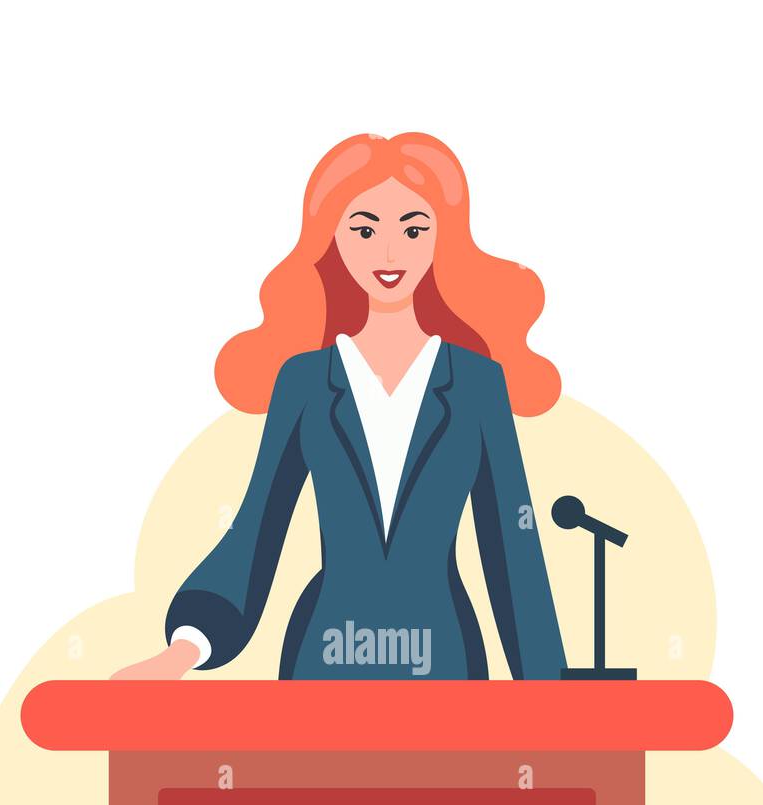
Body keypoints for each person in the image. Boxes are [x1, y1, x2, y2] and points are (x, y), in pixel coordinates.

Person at [114, 132, 566, 682]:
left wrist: (551, 691)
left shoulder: (477, 384)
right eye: (365, 229)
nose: (390, 253)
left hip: (444, 664)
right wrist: (182, 651)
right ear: (333, 239)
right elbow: (255, 531)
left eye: (414, 229)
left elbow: (512, 547)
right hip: (323, 662)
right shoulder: (303, 383)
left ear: (441, 239)